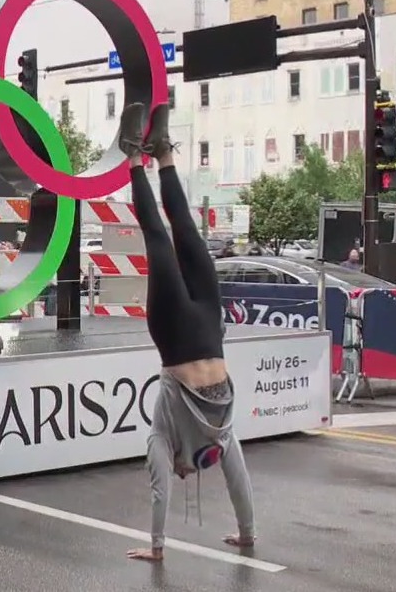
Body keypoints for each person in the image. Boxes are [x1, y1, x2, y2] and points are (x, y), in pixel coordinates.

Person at [117, 102, 255, 563]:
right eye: (180, 472)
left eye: (173, 470)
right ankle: (162, 153)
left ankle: (135, 156)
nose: (173, 473)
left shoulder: (166, 430)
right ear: (186, 464)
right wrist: (246, 534)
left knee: (160, 236)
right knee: (186, 233)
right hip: (206, 327)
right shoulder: (219, 439)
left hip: (177, 334)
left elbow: (163, 489)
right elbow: (236, 482)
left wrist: (157, 548)